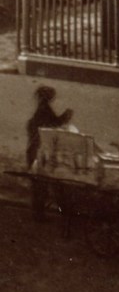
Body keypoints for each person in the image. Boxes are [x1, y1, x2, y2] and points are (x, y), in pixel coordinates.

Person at [25, 85, 72, 223]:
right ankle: (42, 215)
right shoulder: (44, 110)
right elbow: (53, 125)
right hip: (39, 153)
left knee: (40, 185)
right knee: (43, 186)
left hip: (35, 151)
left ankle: (39, 214)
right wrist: (65, 116)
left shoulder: (42, 109)